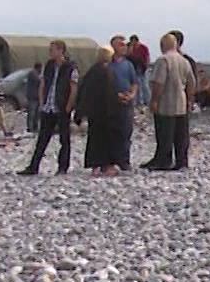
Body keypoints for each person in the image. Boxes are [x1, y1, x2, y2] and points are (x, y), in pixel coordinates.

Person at [19, 41, 78, 175]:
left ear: (61, 50)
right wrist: (42, 101)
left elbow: (73, 87)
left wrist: (69, 105)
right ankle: (33, 166)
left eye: (52, 50)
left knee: (64, 139)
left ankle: (63, 167)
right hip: (48, 107)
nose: (50, 52)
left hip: (61, 107)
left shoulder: (70, 67)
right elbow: (43, 83)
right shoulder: (49, 66)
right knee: (42, 138)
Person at [146, 32, 193, 171]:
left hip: (166, 102)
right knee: (181, 135)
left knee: (165, 133)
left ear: (162, 45)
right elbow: (191, 83)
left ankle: (164, 160)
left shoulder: (163, 60)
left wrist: (154, 100)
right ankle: (181, 161)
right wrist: (189, 100)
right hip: (181, 102)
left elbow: (159, 82)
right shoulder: (184, 61)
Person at [74, 46, 120, 176]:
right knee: (107, 139)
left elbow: (84, 90)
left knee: (94, 138)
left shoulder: (92, 71)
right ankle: (106, 165)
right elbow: (110, 92)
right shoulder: (107, 71)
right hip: (105, 110)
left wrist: (81, 110)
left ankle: (95, 165)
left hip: (94, 111)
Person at [107, 36, 139, 170]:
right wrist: (116, 95)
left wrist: (131, 95)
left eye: (125, 44)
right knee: (111, 132)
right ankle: (110, 160)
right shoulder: (108, 65)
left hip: (127, 103)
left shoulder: (128, 65)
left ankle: (124, 160)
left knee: (126, 132)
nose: (124, 47)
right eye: (121, 44)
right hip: (111, 103)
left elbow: (134, 82)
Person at [24, 62, 43, 134]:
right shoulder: (32, 73)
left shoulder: (36, 73)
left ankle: (35, 127)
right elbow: (39, 81)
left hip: (36, 96)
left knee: (36, 114)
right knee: (32, 113)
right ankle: (30, 127)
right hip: (32, 97)